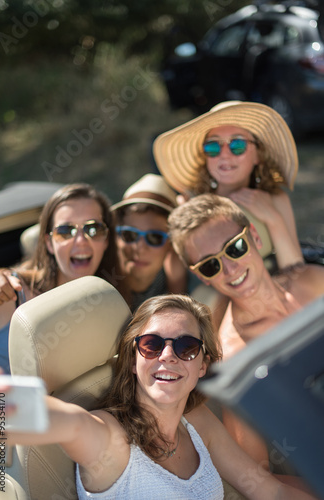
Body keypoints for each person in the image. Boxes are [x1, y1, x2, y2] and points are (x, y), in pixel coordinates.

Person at [0, 295, 319, 500]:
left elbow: (267, 490)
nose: (167, 356)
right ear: (133, 359)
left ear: (203, 365)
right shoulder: (111, 441)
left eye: (186, 347)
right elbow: (71, 424)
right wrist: (2, 407)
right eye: (151, 344)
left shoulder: (197, 420)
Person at [168, 193, 324, 468]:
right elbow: (258, 471)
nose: (230, 268)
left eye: (235, 247)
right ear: (202, 275)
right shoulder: (237, 358)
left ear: (255, 236)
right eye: (211, 264)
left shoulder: (313, 280)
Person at [0, 183, 125, 373]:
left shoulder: (115, 306)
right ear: (49, 243)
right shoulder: (5, 292)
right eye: (65, 231)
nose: (81, 241)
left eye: (93, 229)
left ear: (106, 241)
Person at [153, 100, 304, 271]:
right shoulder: (191, 204)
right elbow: (180, 273)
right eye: (213, 146)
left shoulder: (275, 199)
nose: (224, 154)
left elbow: (295, 270)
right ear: (205, 157)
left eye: (237, 145)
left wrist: (273, 218)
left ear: (258, 155)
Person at [111, 173, 190, 311]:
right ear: (115, 236)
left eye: (155, 237)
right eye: (129, 234)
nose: (139, 247)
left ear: (171, 244)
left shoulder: (175, 280)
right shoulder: (99, 283)